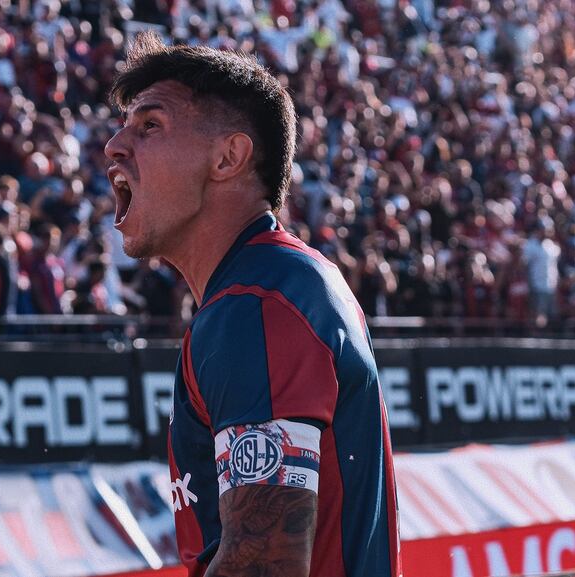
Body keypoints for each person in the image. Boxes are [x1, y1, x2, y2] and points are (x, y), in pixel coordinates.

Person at [105, 32, 400, 577]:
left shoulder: (256, 302)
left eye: (149, 125)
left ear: (228, 157)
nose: (115, 147)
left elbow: (264, 566)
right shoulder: (282, 281)